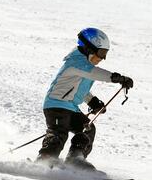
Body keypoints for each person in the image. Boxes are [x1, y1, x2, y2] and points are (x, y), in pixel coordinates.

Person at [37, 28, 133, 167]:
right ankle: (43, 162)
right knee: (59, 135)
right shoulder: (76, 62)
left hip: (70, 107)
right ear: (88, 48)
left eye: (105, 54)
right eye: (101, 53)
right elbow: (94, 73)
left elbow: (79, 89)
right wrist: (116, 78)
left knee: (87, 129)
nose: (102, 58)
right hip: (56, 105)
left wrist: (92, 101)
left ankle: (75, 160)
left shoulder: (85, 66)